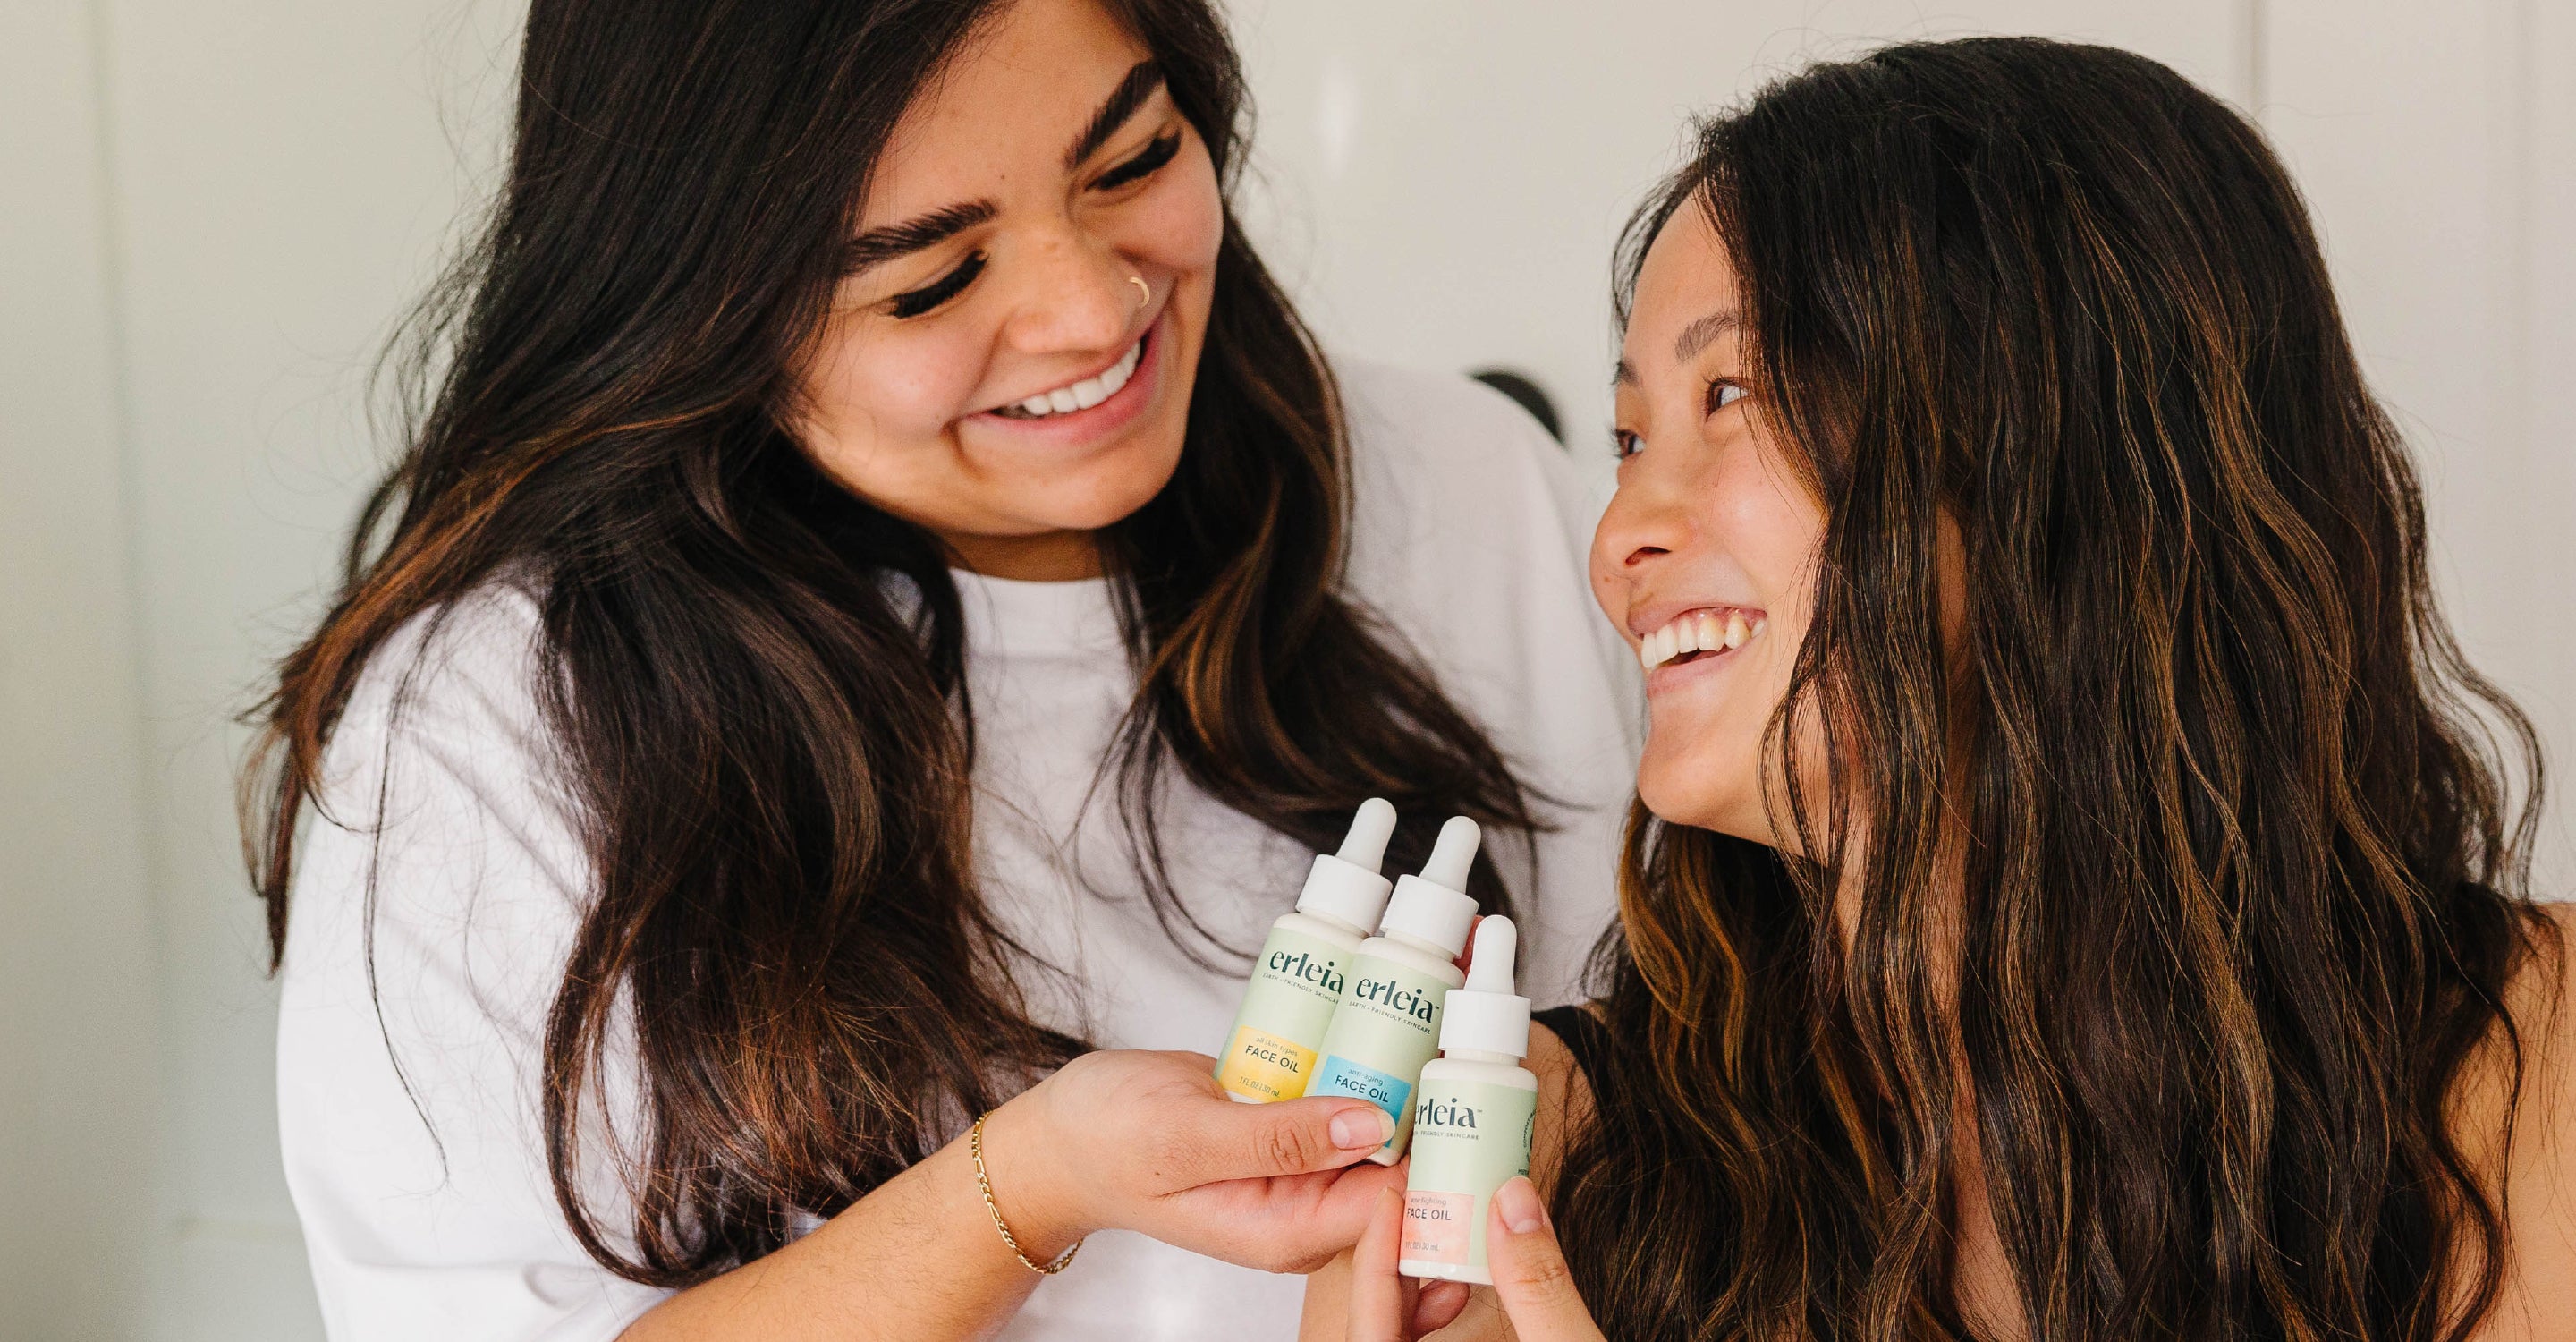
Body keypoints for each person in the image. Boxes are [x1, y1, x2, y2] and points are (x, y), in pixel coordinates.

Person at [246, 1, 1636, 1338]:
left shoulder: (1477, 486)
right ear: (702, 314)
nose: (1094, 311)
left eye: (1136, 159)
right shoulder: (501, 716)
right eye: (931, 280)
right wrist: (1025, 1188)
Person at [1323, 37, 2576, 1342]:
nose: (1618, 536)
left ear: (2052, 445)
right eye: (1632, 437)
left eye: (1733, 391)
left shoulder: (2534, 1065)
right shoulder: (1516, 1153)